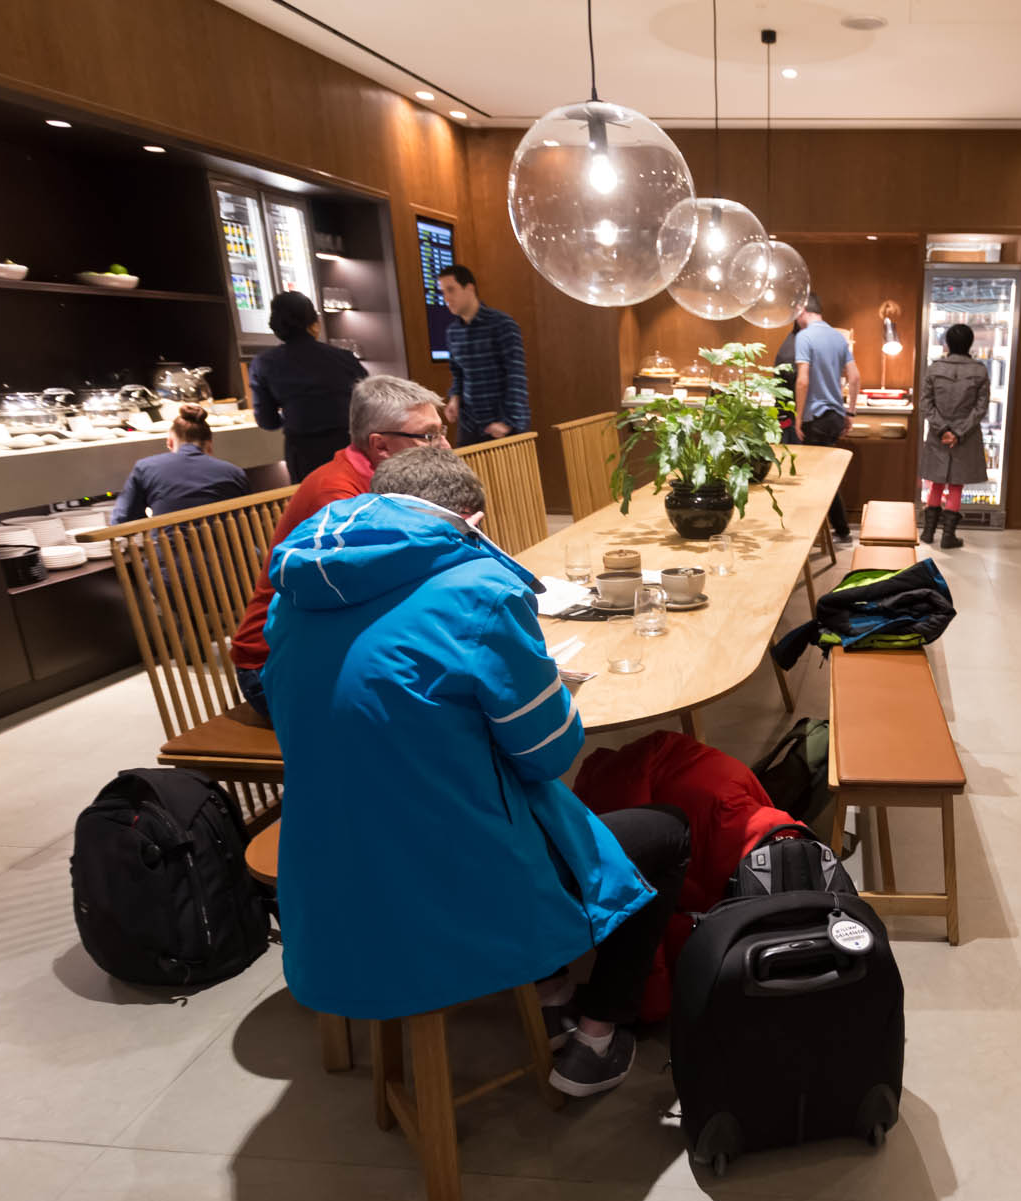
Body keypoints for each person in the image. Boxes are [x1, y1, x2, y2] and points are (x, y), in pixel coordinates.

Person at [263, 446, 691, 1097]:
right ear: (474, 520)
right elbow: (548, 754)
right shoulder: (479, 594)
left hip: (330, 874)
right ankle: (599, 1033)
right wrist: (550, 692)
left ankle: (549, 990)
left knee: (481, 791)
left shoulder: (296, 596)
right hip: (446, 882)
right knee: (664, 833)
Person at [228, 374, 446, 722]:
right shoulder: (338, 496)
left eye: (442, 432)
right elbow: (366, 598)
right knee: (441, 713)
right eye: (429, 436)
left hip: (330, 644)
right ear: (381, 446)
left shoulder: (388, 479)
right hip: (273, 666)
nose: (444, 447)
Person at [248, 290, 368, 482]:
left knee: (312, 506)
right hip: (349, 447)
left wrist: (292, 414)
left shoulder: (264, 363)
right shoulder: (344, 358)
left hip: (303, 454)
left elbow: (266, 421)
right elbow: (369, 402)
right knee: (353, 499)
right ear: (313, 323)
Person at [436, 263, 530, 446]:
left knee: (510, 475)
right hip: (470, 424)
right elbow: (458, 373)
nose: (446, 298)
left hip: (504, 424)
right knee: (466, 474)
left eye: (451, 290)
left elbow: (516, 376)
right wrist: (455, 398)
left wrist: (508, 422)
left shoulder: (503, 325)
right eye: (443, 292)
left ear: (469, 288)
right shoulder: (452, 332)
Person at [917, 322, 991, 549]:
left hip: (938, 436)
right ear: (970, 343)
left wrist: (942, 430)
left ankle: (928, 533)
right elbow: (980, 408)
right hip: (965, 437)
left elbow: (925, 404)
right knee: (956, 485)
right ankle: (948, 536)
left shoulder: (935, 369)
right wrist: (958, 432)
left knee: (936, 481)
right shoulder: (979, 370)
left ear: (947, 343)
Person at [110, 404, 249, 523]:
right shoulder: (234, 473)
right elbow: (247, 519)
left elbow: (121, 520)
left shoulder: (145, 468)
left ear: (170, 442)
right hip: (226, 553)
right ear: (209, 445)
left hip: (171, 554)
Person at [791, 294, 858, 541]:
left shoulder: (804, 337)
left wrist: (799, 417)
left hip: (815, 417)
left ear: (801, 310)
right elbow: (854, 377)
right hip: (835, 417)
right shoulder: (838, 338)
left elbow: (803, 380)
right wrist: (849, 412)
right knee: (825, 475)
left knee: (815, 477)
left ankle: (818, 531)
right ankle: (839, 529)